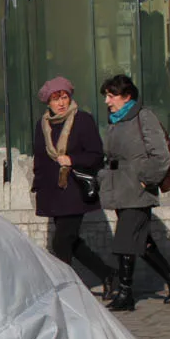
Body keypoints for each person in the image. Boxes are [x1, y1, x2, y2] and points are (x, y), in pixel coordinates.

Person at [97, 75, 170, 311]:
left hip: (137, 191)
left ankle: (126, 294)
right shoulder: (115, 120)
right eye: (106, 95)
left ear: (126, 96)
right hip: (120, 190)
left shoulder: (143, 116)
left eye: (111, 95)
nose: (107, 101)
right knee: (140, 243)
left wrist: (145, 180)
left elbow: (161, 156)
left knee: (125, 242)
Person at [31, 77, 115, 297]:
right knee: (71, 241)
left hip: (75, 191)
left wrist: (72, 159)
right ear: (48, 102)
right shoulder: (43, 125)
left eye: (64, 97)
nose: (61, 103)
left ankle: (65, 290)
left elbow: (96, 156)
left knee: (61, 242)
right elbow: (39, 159)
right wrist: (38, 187)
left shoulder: (82, 120)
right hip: (52, 192)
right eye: (56, 99)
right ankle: (108, 274)